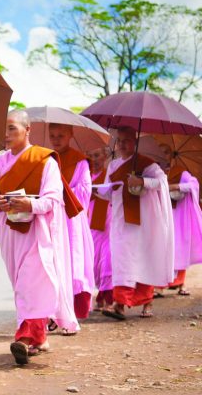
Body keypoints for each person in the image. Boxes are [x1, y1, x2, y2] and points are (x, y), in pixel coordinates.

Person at [0, 110, 78, 365]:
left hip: (38, 232)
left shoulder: (44, 161)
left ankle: (26, 337)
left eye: (12, 128)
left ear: (28, 130)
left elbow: (53, 199)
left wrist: (28, 204)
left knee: (32, 282)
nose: (6, 134)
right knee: (21, 284)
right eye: (3, 129)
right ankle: (39, 337)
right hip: (9, 230)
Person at [96, 127, 174, 320]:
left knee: (142, 258)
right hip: (120, 219)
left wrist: (142, 181)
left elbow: (162, 182)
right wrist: (97, 190)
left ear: (135, 142)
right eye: (119, 140)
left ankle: (146, 301)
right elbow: (108, 192)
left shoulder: (147, 164)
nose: (122, 144)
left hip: (143, 221)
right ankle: (120, 305)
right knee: (122, 260)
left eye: (127, 140)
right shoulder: (113, 165)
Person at [48, 124, 95, 324]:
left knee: (74, 262)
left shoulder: (80, 160)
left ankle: (73, 311)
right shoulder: (47, 158)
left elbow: (85, 191)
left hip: (72, 218)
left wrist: (61, 191)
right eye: (52, 136)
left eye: (61, 135)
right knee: (53, 262)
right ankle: (53, 311)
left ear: (70, 135)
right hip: (51, 217)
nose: (56, 139)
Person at [154, 143, 202, 297]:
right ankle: (159, 285)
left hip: (179, 216)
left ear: (173, 155)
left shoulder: (181, 172)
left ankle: (181, 283)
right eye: (161, 153)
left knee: (180, 248)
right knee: (164, 249)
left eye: (167, 153)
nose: (164, 156)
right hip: (162, 215)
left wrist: (175, 186)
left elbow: (193, 185)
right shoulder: (156, 172)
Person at [86, 146, 113, 311]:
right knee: (94, 261)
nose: (94, 159)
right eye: (90, 156)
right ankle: (100, 293)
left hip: (108, 221)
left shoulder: (109, 174)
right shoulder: (85, 175)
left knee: (107, 261)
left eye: (97, 155)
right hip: (89, 222)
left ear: (104, 156)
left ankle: (107, 297)